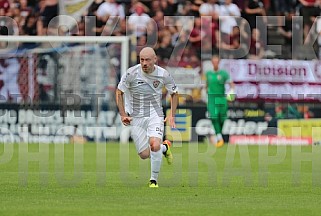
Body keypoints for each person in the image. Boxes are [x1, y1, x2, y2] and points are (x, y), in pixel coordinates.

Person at [116, 47, 178, 188]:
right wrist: (123, 114)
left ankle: (153, 180)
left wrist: (172, 115)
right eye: (142, 59)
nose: (144, 63)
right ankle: (165, 148)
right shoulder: (131, 73)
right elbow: (119, 92)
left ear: (155, 59)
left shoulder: (163, 74)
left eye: (147, 60)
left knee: (154, 144)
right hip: (136, 117)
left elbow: (174, 93)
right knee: (144, 154)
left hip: (155, 114)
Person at [205, 55, 234, 148]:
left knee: (222, 119)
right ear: (211, 62)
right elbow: (206, 85)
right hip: (212, 99)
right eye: (213, 61)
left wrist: (231, 94)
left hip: (222, 98)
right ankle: (219, 137)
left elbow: (232, 85)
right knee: (213, 117)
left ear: (219, 62)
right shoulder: (208, 74)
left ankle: (218, 134)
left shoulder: (224, 74)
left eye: (217, 61)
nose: (215, 63)